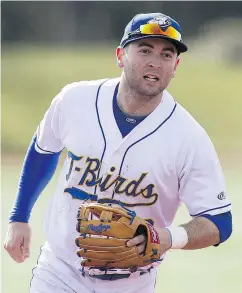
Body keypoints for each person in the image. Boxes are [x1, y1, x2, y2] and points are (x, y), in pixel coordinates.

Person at [4, 12, 232, 293]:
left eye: (166, 54)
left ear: (176, 66)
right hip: (59, 271)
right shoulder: (74, 100)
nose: (154, 61)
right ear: (121, 56)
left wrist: (166, 237)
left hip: (132, 283)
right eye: (145, 50)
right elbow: (44, 149)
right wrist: (19, 216)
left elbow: (219, 222)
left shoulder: (189, 138)